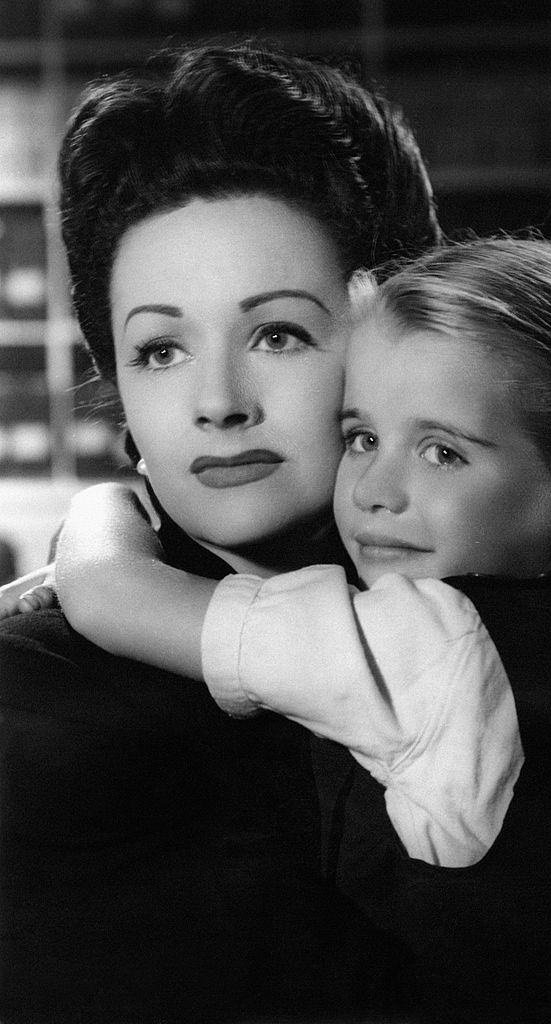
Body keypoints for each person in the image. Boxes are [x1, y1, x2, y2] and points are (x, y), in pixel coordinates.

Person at [26, 239, 551, 1021]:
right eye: (361, 438)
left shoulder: (422, 639)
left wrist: (107, 507)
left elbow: (112, 592)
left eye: (442, 452)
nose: (377, 490)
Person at [0, 40, 443, 1024]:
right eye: (159, 349)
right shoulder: (37, 700)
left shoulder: (503, 627)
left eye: (275, 333)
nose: (216, 401)